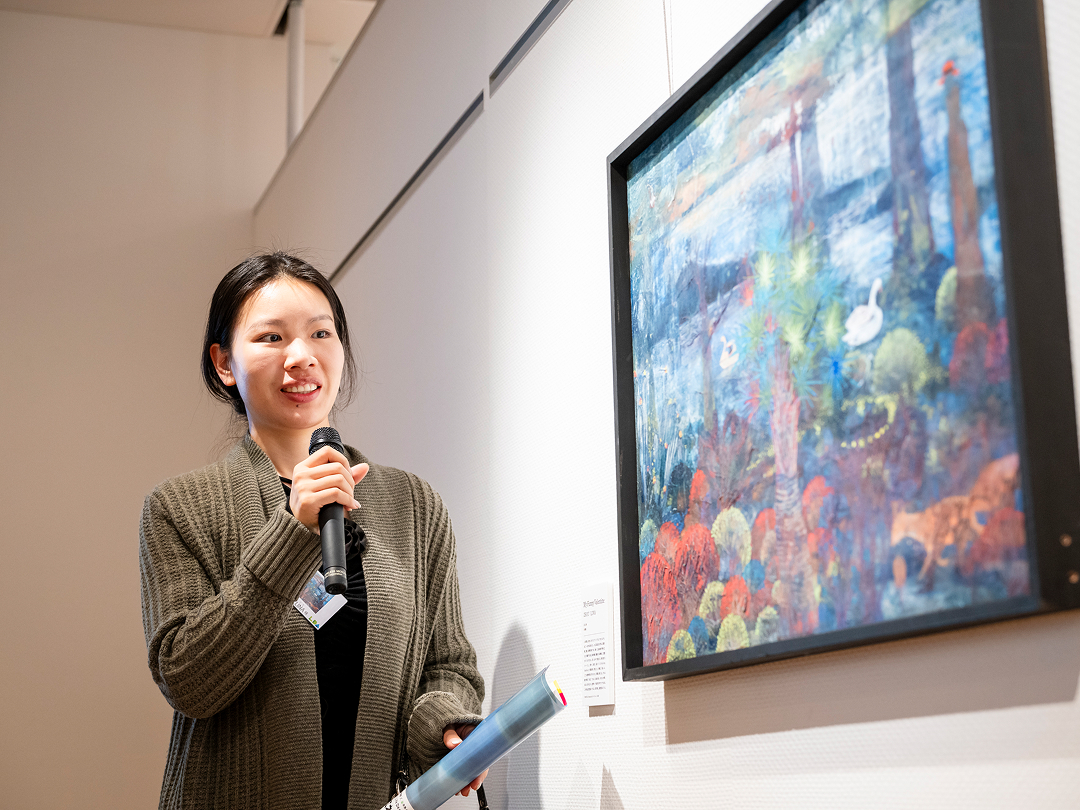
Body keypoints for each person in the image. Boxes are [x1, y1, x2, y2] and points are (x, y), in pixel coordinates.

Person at [139, 253, 487, 809]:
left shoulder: (414, 506)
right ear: (224, 362)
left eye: (320, 333)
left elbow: (448, 666)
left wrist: (445, 728)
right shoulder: (180, 508)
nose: (301, 356)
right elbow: (188, 681)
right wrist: (290, 532)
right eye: (271, 337)